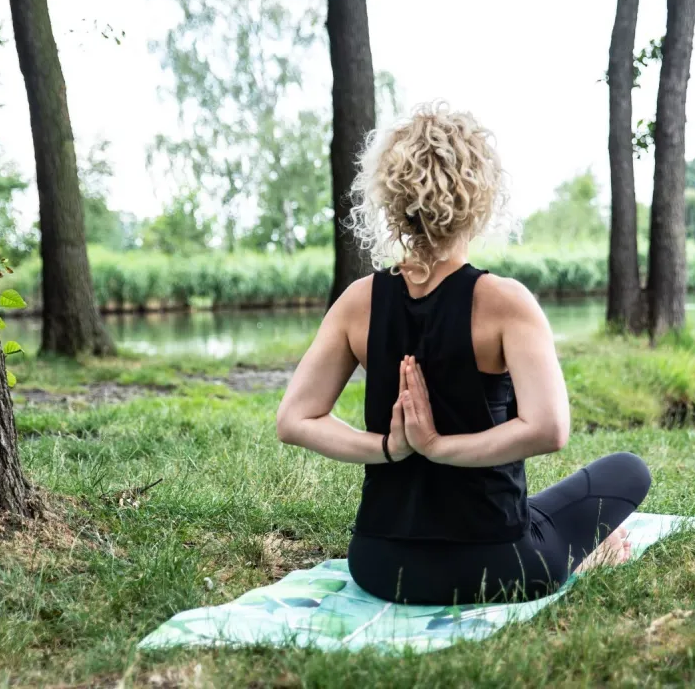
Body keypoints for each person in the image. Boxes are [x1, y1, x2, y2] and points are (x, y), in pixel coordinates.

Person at [276, 103, 651, 605]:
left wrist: (388, 447)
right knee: (628, 469)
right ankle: (590, 552)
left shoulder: (356, 302)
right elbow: (549, 429)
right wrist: (436, 446)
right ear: (481, 196)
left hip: (380, 566)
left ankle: (580, 545)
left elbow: (295, 420)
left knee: (545, 508)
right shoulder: (507, 302)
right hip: (498, 566)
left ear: (392, 197)